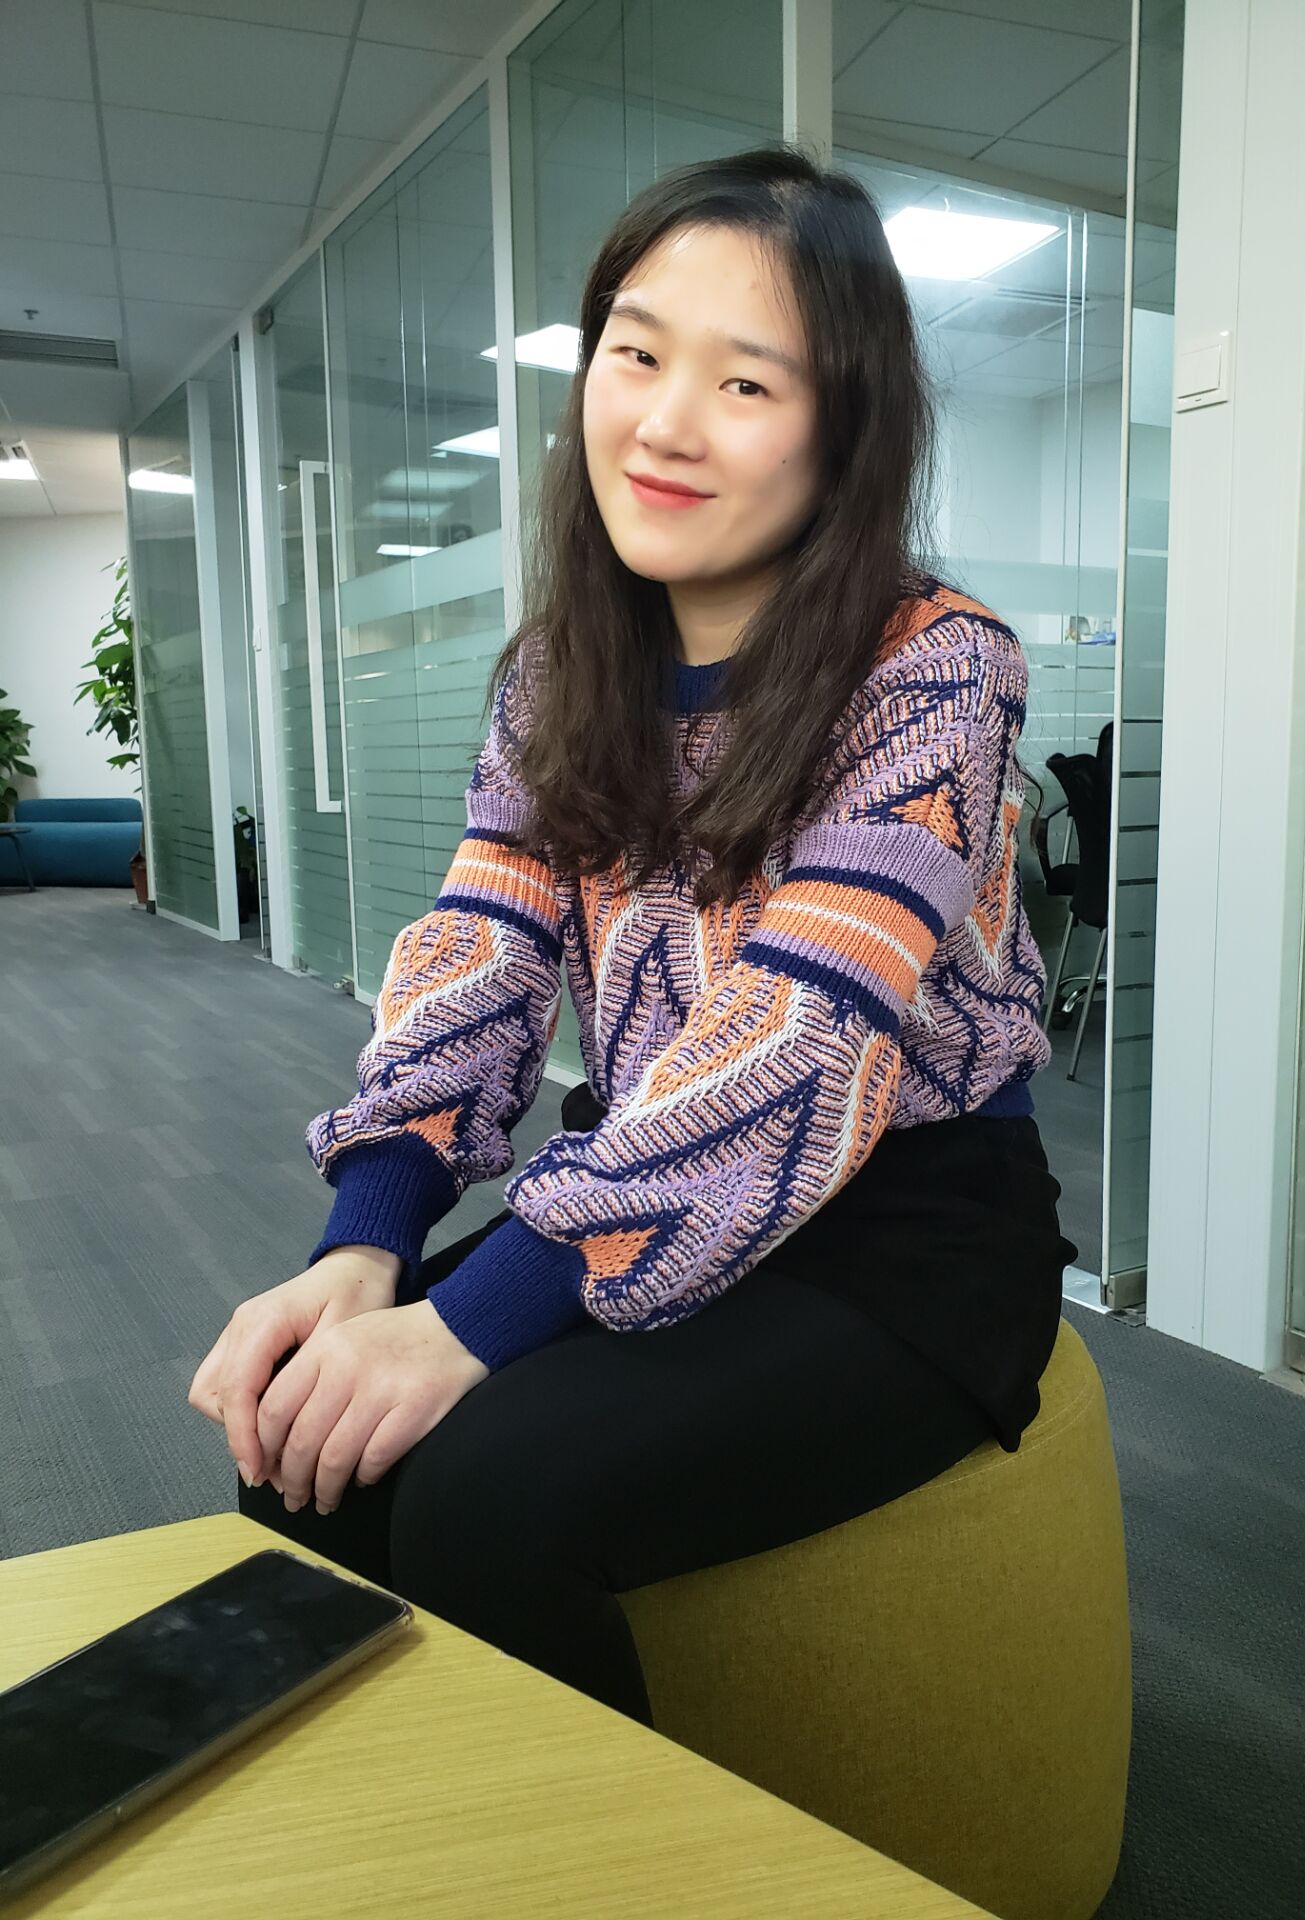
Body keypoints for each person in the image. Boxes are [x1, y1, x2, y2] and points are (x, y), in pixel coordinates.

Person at [189, 144, 1078, 1727]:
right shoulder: (556, 673)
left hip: (904, 1221)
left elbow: (803, 1038)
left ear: (844, 429)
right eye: (637, 353)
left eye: (747, 384)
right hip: (641, 1170)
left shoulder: (937, 668)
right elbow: (480, 952)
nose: (665, 423)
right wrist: (366, 1245)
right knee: (303, 1442)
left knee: (491, 1501)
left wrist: (467, 1327)